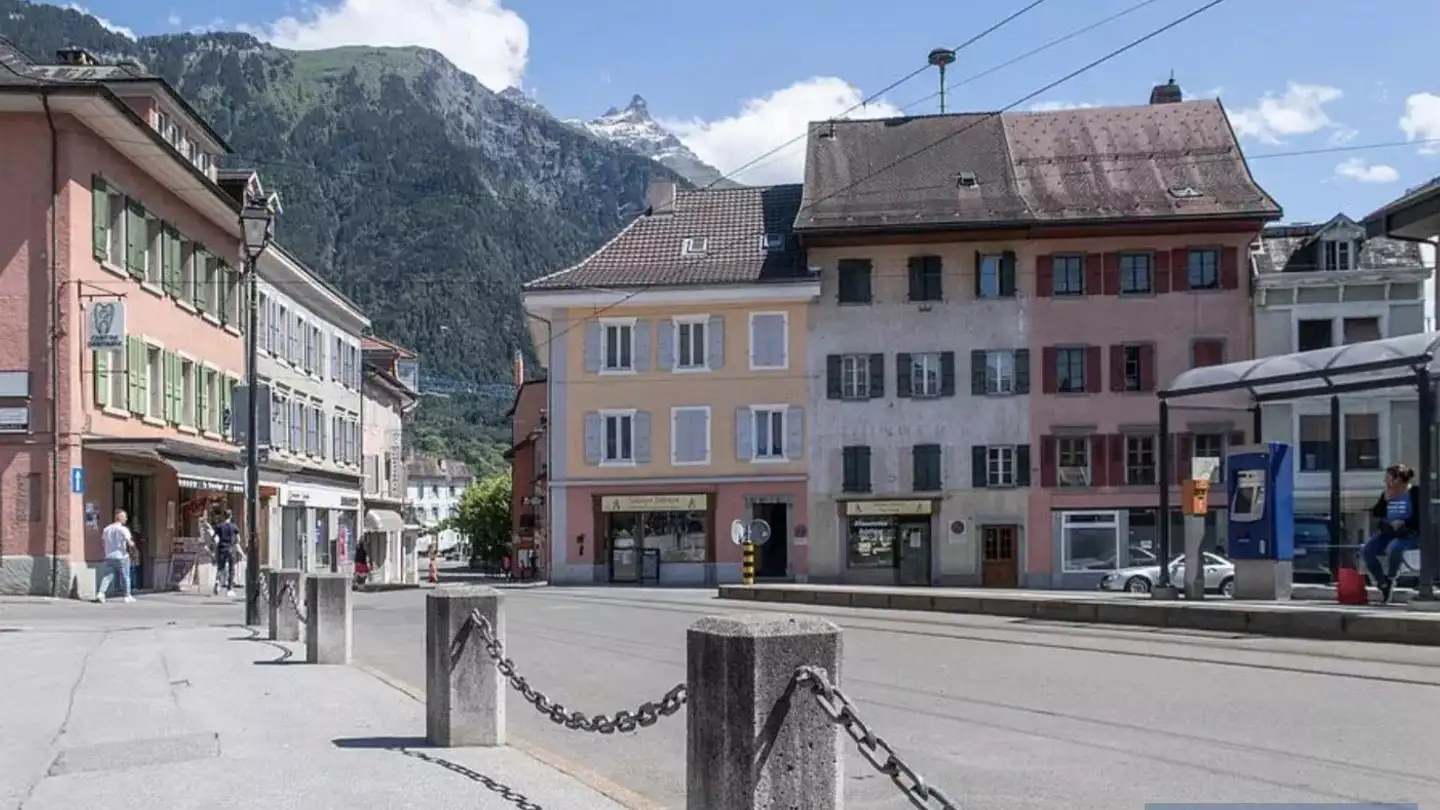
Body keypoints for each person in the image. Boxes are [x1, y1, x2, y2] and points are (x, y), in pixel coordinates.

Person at [1361, 463, 1420, 603]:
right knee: (1367, 549)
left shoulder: (1415, 494)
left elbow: (1420, 516)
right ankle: (1382, 583)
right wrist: (1386, 502)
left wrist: (1404, 522)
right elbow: (1376, 512)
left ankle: (1391, 577)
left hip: (1408, 533)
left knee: (1395, 547)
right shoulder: (1387, 495)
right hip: (1388, 532)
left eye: (1388, 479)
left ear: (1398, 480)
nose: (1386, 482)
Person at [97, 509, 136, 604]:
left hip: (109, 555)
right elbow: (129, 542)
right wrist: (133, 544)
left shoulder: (106, 529)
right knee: (125, 576)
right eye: (125, 517)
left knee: (107, 576)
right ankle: (127, 595)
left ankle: (101, 593)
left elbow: (103, 542)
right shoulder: (123, 529)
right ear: (120, 517)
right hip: (121, 556)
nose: (126, 519)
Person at [212, 510, 241, 598]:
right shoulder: (234, 527)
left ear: (223, 516)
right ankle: (230, 589)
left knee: (221, 567)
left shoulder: (219, 526)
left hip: (221, 548)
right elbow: (238, 539)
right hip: (231, 549)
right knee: (231, 569)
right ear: (231, 516)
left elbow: (214, 537)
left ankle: (217, 581)